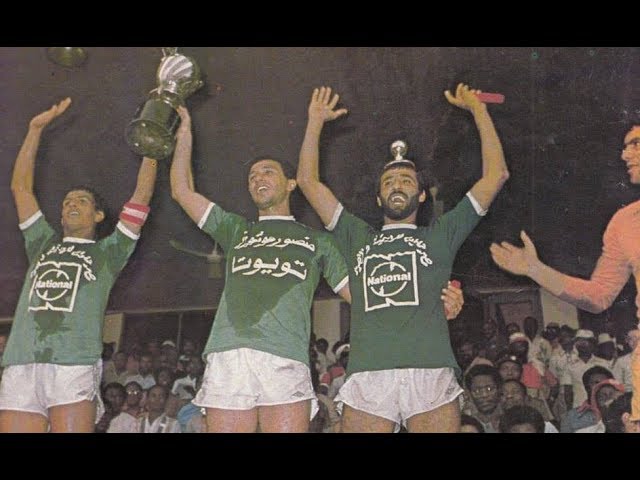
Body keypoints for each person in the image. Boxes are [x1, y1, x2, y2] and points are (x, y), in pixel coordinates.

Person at [297, 84, 508, 432]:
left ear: (422, 195)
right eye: (389, 182)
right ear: (379, 199)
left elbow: (495, 175)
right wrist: (315, 122)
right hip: (369, 375)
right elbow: (308, 181)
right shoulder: (356, 235)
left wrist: (479, 110)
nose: (397, 185)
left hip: (431, 372)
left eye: (407, 180)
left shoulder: (441, 234)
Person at [0, 98, 158, 432]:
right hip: (22, 360)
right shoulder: (41, 242)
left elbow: (141, 198)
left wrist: (152, 147)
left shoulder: (109, 252)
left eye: (81, 201)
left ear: (98, 215)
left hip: (73, 363)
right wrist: (34, 129)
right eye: (67, 201)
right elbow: (20, 188)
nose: (71, 204)